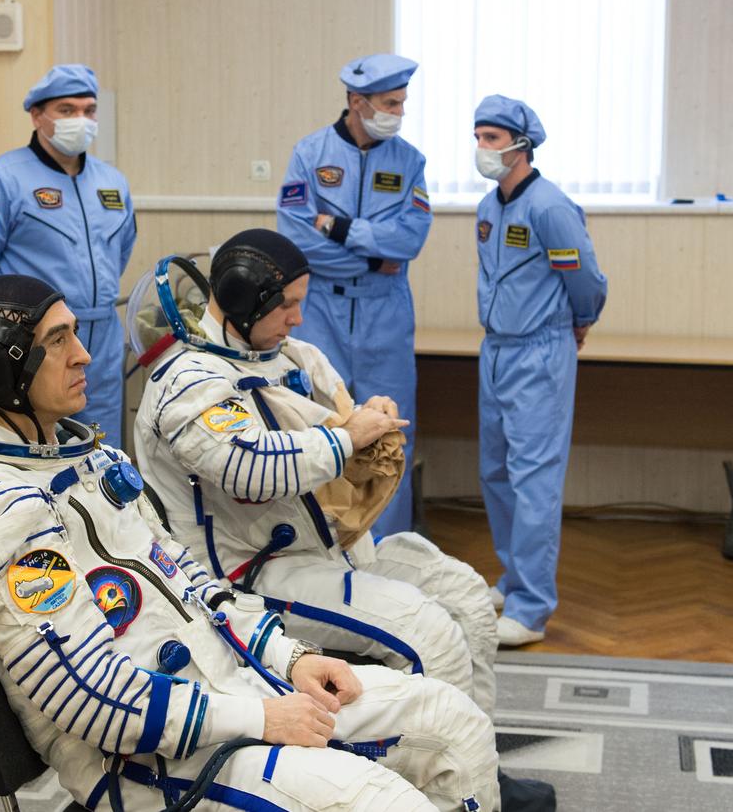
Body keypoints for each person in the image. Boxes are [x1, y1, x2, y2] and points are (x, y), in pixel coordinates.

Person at [0, 274, 501, 811]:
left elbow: (195, 587)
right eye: (57, 342)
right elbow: (89, 700)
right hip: (147, 762)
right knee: (383, 802)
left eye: (75, 334)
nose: (84, 355)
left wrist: (291, 660)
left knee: (453, 722)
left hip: (230, 689)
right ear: (4, 368)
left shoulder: (92, 462)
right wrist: (263, 717)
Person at [132, 229, 500, 717]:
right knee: (426, 633)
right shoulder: (189, 381)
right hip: (245, 576)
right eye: (287, 304)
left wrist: (368, 419)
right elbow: (250, 467)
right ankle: (443, 785)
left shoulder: (288, 358)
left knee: (466, 597)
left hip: (317, 551)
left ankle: (476, 767)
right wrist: (348, 439)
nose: (298, 317)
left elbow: (324, 424)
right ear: (244, 298)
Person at [276, 54, 432, 539]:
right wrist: (369, 254)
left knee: (388, 429)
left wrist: (340, 228)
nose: (398, 113)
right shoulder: (310, 153)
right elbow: (298, 240)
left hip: (385, 310)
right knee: (322, 421)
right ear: (356, 102)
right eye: (390, 103)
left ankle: (389, 553)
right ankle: (324, 542)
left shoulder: (409, 161)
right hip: (320, 306)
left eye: (403, 102)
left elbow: (410, 241)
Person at [472, 95, 607, 648]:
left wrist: (580, 322)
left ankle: (531, 607)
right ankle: (512, 578)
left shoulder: (550, 208)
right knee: (497, 471)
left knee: (534, 481)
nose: (482, 148)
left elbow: (588, 279)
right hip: (496, 349)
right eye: (478, 136)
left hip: (540, 350)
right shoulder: (487, 208)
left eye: (493, 138)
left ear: (521, 145)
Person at [0, 64, 135, 446]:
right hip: (36, 342)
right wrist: (12, 327)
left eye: (88, 110)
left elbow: (122, 249)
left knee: (102, 446)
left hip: (103, 334)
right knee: (36, 442)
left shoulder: (112, 182)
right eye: (66, 110)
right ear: (37, 115)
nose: (80, 119)